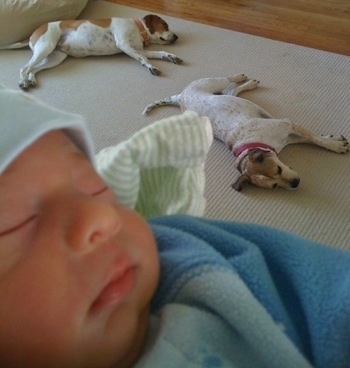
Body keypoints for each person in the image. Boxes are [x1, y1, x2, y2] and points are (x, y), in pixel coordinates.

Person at [0, 86, 350, 368]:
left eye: (94, 187)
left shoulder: (187, 250)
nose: (102, 217)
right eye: (14, 221)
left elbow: (325, 286)